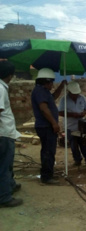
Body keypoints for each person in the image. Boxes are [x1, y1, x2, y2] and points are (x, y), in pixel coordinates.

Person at [31, 68, 66, 185]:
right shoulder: (40, 91)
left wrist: (61, 86)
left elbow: (53, 97)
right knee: (48, 151)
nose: (52, 84)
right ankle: (47, 177)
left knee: (48, 150)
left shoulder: (43, 92)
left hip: (46, 126)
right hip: (46, 126)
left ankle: (47, 173)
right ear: (46, 81)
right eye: (51, 82)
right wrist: (54, 123)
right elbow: (44, 109)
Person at [0, 61, 23, 207]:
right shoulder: (1, 89)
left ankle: (10, 185)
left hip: (5, 133)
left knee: (6, 165)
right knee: (4, 165)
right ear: (10, 75)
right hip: (3, 134)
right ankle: (4, 198)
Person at [58, 81, 86, 167]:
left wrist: (83, 113)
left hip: (81, 125)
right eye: (74, 94)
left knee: (84, 144)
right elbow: (60, 112)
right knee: (74, 145)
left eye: (77, 94)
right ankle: (77, 160)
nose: (76, 95)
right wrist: (72, 115)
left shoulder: (82, 98)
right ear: (69, 92)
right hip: (70, 126)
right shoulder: (64, 99)